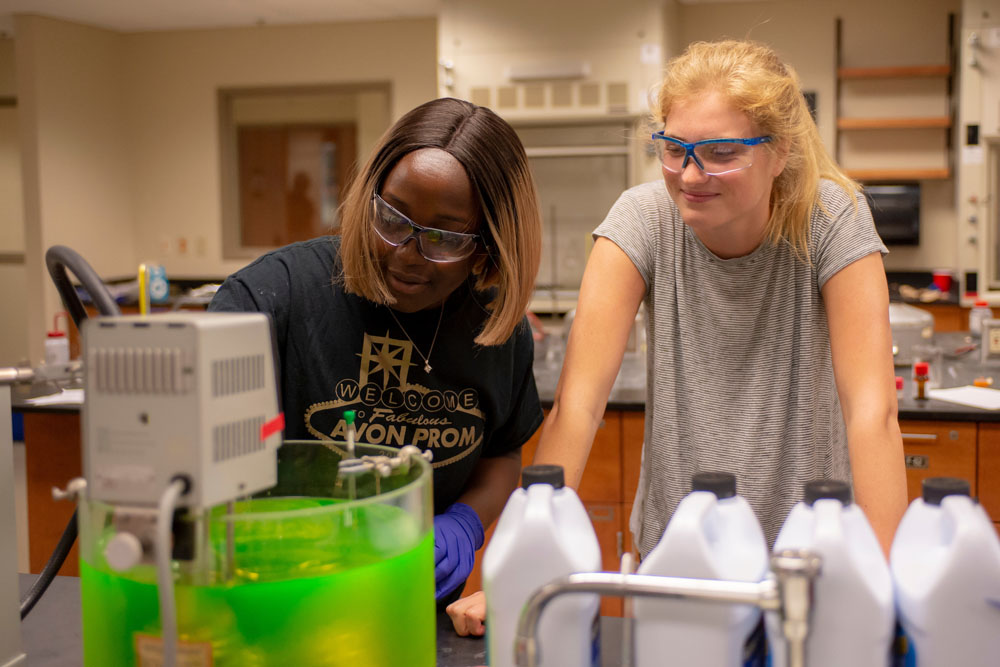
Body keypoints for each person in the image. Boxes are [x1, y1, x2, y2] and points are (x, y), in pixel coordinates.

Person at [447, 38, 908, 635]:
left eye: (719, 152)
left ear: (781, 151)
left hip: (811, 550)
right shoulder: (641, 220)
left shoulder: (832, 217)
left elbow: (872, 414)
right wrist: (502, 578)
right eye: (674, 149)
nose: (690, 175)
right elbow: (578, 409)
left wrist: (889, 585)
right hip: (678, 553)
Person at [209, 97, 544, 607]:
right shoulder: (272, 299)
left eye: (444, 237)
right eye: (392, 218)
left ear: (489, 245)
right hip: (277, 597)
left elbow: (501, 453)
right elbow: (204, 467)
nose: (406, 254)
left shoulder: (495, 327)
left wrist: (465, 523)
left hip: (407, 607)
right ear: (370, 194)